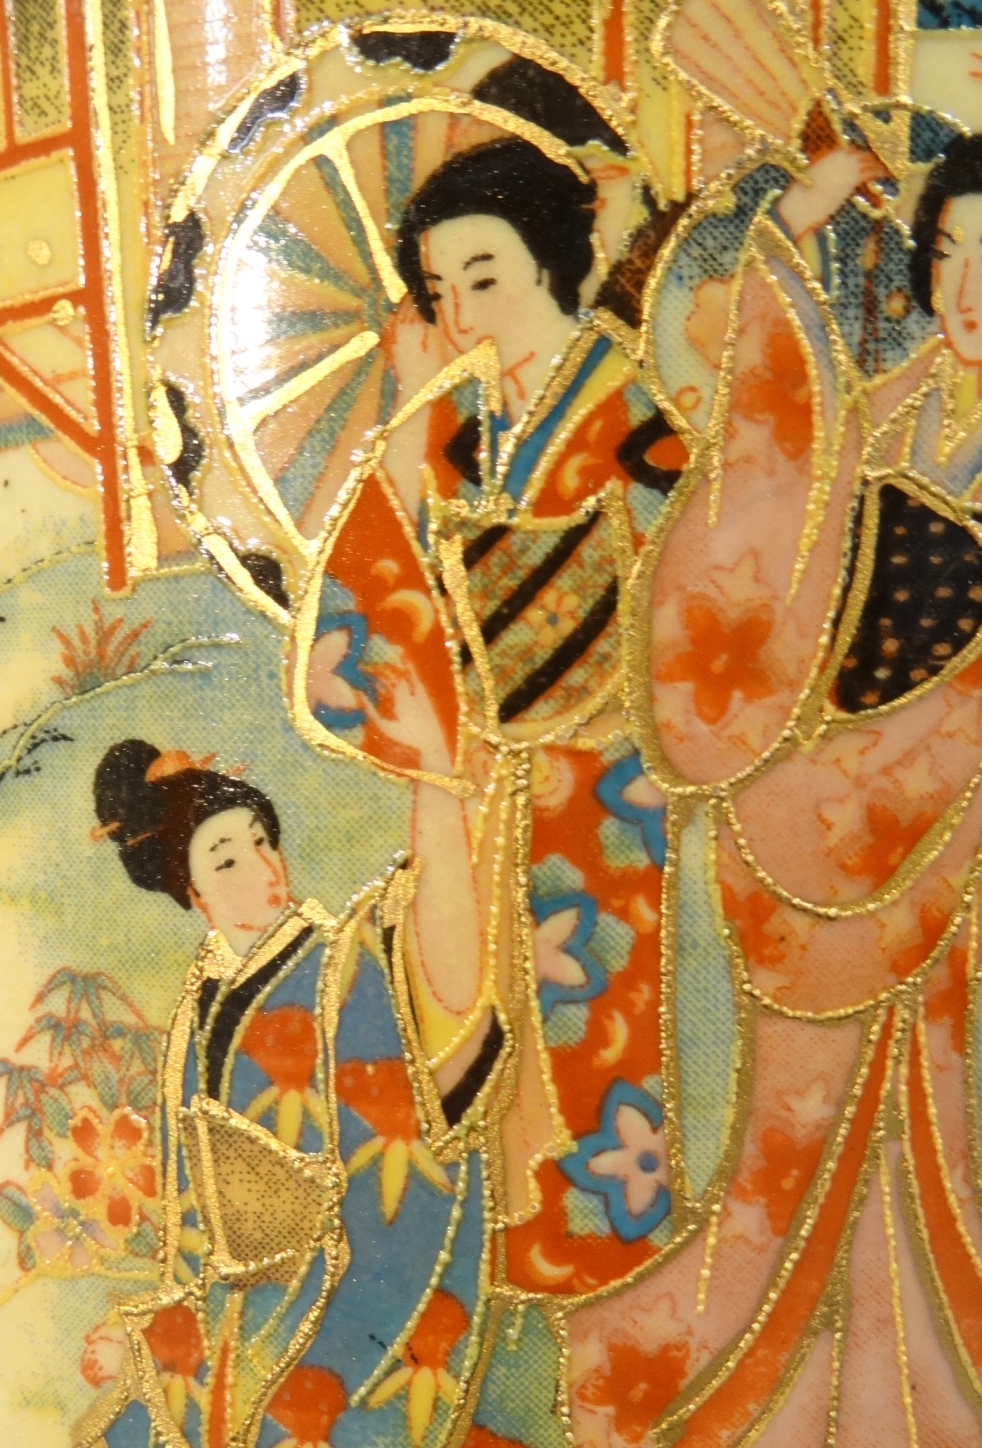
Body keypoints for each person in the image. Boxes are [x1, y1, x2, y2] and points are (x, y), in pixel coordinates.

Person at [564, 128, 982, 1448]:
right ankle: (789, 1442)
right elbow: (781, 463)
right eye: (944, 254)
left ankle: (897, 1441)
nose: (962, 285)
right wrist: (797, 220)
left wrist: (805, 780)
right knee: (791, 1148)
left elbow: (970, 679)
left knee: (913, 1148)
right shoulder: (923, 390)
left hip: (910, 841)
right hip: (823, 830)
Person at [294, 120, 690, 1309]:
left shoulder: (633, 411)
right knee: (501, 1012)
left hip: (612, 779)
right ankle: (517, 1248)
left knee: (600, 1011)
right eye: (441, 288)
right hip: (498, 777)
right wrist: (416, 412)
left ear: (551, 260)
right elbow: (379, 565)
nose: (463, 310)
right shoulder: (468, 421)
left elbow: (690, 581)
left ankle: (617, 1256)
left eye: (486, 274)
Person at [72, 695, 578, 1448]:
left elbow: (422, 1092)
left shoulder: (345, 969)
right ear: (189, 891)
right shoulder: (199, 1009)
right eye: (228, 858)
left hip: (354, 1279)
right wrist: (152, 1333)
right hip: (243, 1301)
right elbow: (194, 1221)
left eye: (264, 841)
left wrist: (438, 792)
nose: (265, 869)